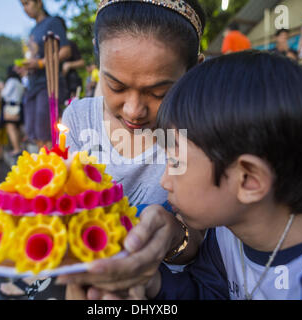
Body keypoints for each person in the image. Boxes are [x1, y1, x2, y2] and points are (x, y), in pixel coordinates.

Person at [70, 51, 302, 300]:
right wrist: (150, 283)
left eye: (175, 161)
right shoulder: (226, 237)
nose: (164, 180)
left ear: (249, 180)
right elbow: (204, 293)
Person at [57, 0, 207, 298]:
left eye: (158, 93)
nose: (134, 110)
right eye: (116, 86)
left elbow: (199, 241)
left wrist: (171, 237)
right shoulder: (78, 118)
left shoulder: (195, 134)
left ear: (194, 71)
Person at [19, 0, 72, 149]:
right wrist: (26, 67)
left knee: (46, 131)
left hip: (49, 83)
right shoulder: (32, 30)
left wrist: (41, 63)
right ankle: (42, 164)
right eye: (22, 5)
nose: (25, 8)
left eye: (27, 3)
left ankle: (53, 166)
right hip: (33, 84)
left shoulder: (53, 22)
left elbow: (65, 50)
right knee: (33, 131)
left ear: (39, 3)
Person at [0, 66, 25, 157]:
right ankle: (19, 147)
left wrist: (1, 87)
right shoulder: (19, 81)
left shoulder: (11, 81)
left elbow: (4, 94)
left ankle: (16, 149)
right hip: (19, 106)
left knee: (11, 128)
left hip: (10, 107)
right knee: (17, 128)